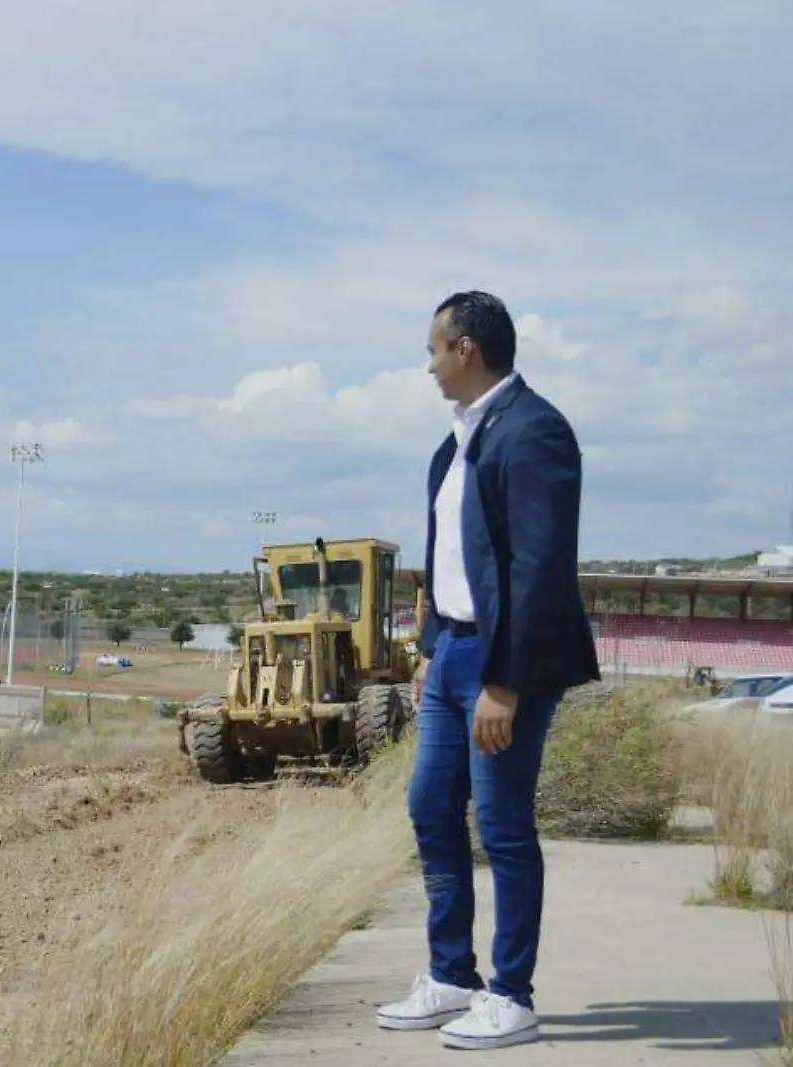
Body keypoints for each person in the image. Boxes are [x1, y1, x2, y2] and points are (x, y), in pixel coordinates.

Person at [374, 291, 600, 1050]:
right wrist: (432, 646)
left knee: (501, 824)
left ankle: (511, 993)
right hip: (450, 655)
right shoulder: (453, 444)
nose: (429, 365)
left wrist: (505, 681)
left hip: (509, 660)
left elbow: (539, 568)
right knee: (432, 809)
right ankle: (451, 976)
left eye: (434, 351)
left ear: (465, 349)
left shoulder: (534, 431)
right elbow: (444, 559)